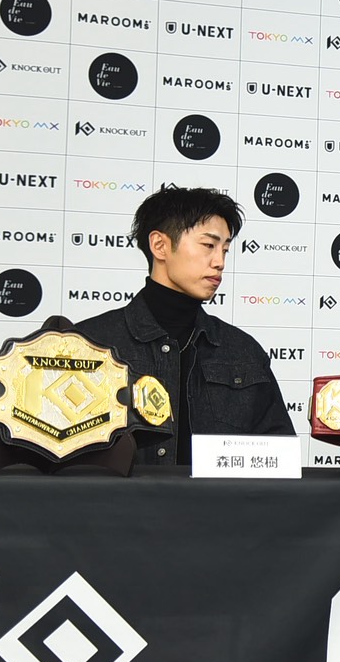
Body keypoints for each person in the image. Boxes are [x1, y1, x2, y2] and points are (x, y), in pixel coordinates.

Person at [76, 185, 294, 465]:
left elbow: (279, 463)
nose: (220, 262)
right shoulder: (88, 344)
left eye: (225, 250)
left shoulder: (244, 352)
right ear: (160, 246)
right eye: (208, 246)